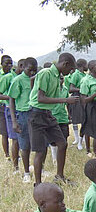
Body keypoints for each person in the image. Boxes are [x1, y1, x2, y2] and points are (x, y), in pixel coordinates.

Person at [28, 53, 78, 185]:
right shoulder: (46, 73)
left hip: (48, 114)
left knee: (62, 144)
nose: (70, 72)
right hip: (37, 114)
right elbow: (40, 98)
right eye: (71, 69)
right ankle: (38, 184)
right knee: (40, 150)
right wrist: (65, 100)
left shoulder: (57, 77)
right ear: (65, 64)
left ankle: (59, 176)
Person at [7, 57, 37, 182]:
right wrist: (14, 121)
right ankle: (26, 172)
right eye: (30, 70)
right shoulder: (18, 80)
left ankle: (39, 169)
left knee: (39, 143)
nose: (32, 73)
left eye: (34, 70)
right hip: (23, 115)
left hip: (36, 113)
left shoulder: (37, 79)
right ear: (23, 67)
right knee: (24, 145)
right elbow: (11, 99)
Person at [68, 58, 87, 150]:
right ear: (83, 65)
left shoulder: (84, 75)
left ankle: (81, 140)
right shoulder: (76, 74)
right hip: (78, 99)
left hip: (84, 98)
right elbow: (71, 88)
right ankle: (78, 141)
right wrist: (82, 89)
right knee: (80, 119)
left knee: (85, 120)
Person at [0, 55, 14, 160]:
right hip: (2, 106)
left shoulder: (13, 75)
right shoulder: (2, 76)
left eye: (11, 63)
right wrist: (10, 97)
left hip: (11, 106)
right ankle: (7, 155)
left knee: (13, 132)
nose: (9, 66)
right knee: (4, 131)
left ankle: (15, 154)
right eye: (6, 63)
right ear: (1, 64)